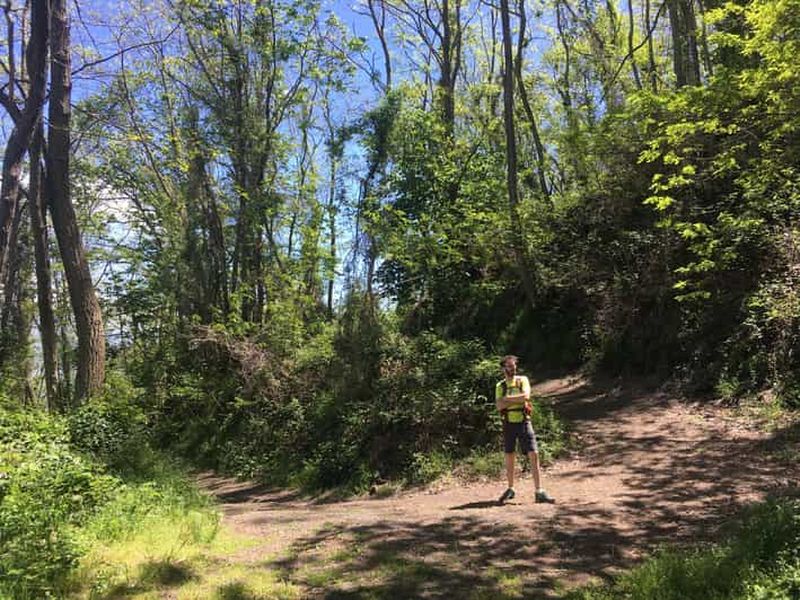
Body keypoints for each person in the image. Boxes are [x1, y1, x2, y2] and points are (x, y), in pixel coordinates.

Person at [495, 355, 555, 504]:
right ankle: (510, 488)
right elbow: (498, 406)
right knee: (509, 455)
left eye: (514, 366)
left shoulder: (523, 380)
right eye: (509, 366)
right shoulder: (499, 386)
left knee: (533, 453)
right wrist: (516, 400)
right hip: (508, 423)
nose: (512, 369)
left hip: (524, 421)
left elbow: (526, 397)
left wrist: (507, 399)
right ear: (503, 368)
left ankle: (539, 490)